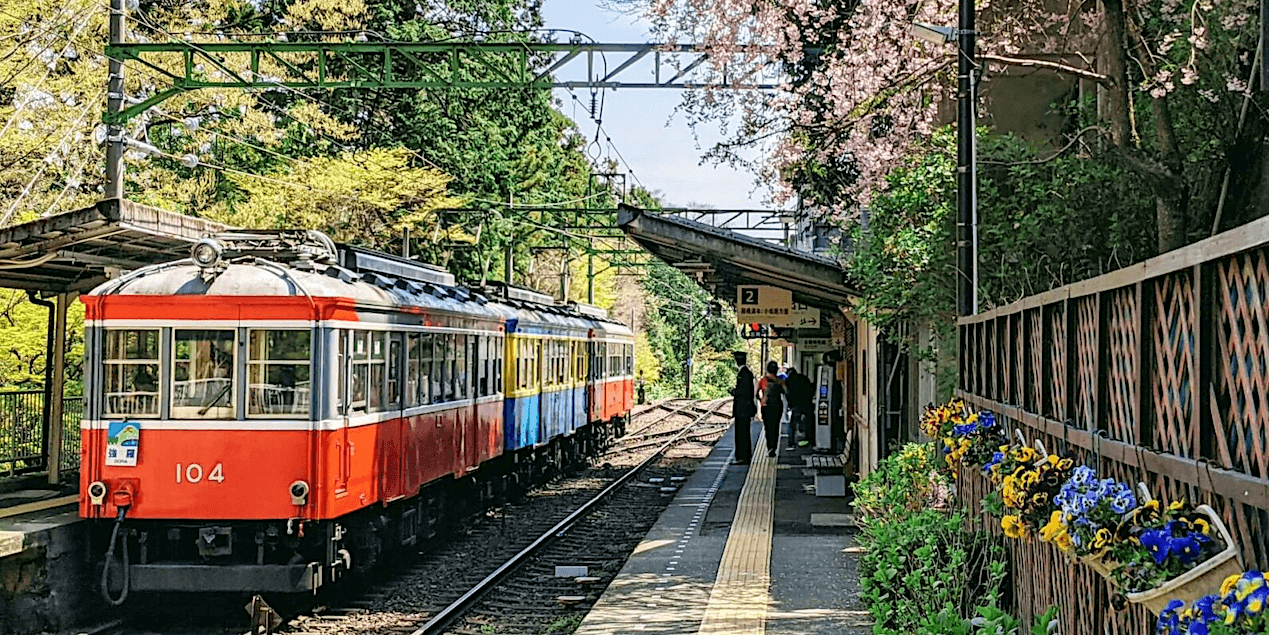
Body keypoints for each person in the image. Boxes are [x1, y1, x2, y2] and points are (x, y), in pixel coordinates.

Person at [729, 351, 756, 465]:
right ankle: (743, 456)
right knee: (743, 433)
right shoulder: (746, 373)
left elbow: (744, 392)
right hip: (744, 409)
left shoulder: (744, 373)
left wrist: (734, 391)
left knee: (742, 434)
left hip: (743, 410)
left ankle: (742, 457)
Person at [756, 361, 785, 457]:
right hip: (777, 406)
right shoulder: (780, 380)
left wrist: (761, 400)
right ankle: (774, 448)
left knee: (768, 428)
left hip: (766, 407)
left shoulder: (763, 380)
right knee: (776, 427)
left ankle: (770, 447)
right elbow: (785, 392)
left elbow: (756, 393)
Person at [784, 366, 814, 450]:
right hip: (807, 403)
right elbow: (811, 388)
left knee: (792, 424)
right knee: (809, 422)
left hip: (796, 405)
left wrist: (790, 405)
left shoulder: (789, 381)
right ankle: (810, 440)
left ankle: (791, 443)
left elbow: (788, 394)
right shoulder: (804, 378)